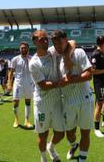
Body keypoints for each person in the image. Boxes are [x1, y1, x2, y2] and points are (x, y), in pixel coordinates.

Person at [51, 30, 93, 161]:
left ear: (66, 40)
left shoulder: (79, 53)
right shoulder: (55, 58)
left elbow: (89, 74)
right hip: (68, 102)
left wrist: (71, 80)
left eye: (60, 43)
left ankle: (82, 159)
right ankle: (74, 145)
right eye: (55, 44)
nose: (58, 47)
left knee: (85, 133)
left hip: (85, 99)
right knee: (70, 134)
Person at [29, 30, 65, 162]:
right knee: (43, 134)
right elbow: (43, 85)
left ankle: (51, 148)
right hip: (42, 102)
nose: (45, 41)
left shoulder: (52, 51)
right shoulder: (33, 63)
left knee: (60, 133)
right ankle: (43, 158)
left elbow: (71, 43)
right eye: (41, 39)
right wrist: (61, 83)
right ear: (34, 42)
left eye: (46, 39)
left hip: (56, 100)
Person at [8, 42, 34, 129]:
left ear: (28, 49)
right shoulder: (15, 59)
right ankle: (16, 119)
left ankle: (27, 120)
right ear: (20, 49)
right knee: (15, 102)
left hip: (29, 83)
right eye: (22, 48)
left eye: (25, 48)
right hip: (18, 83)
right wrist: (9, 84)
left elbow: (35, 70)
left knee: (28, 101)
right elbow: (11, 72)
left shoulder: (32, 59)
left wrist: (31, 62)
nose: (23, 49)